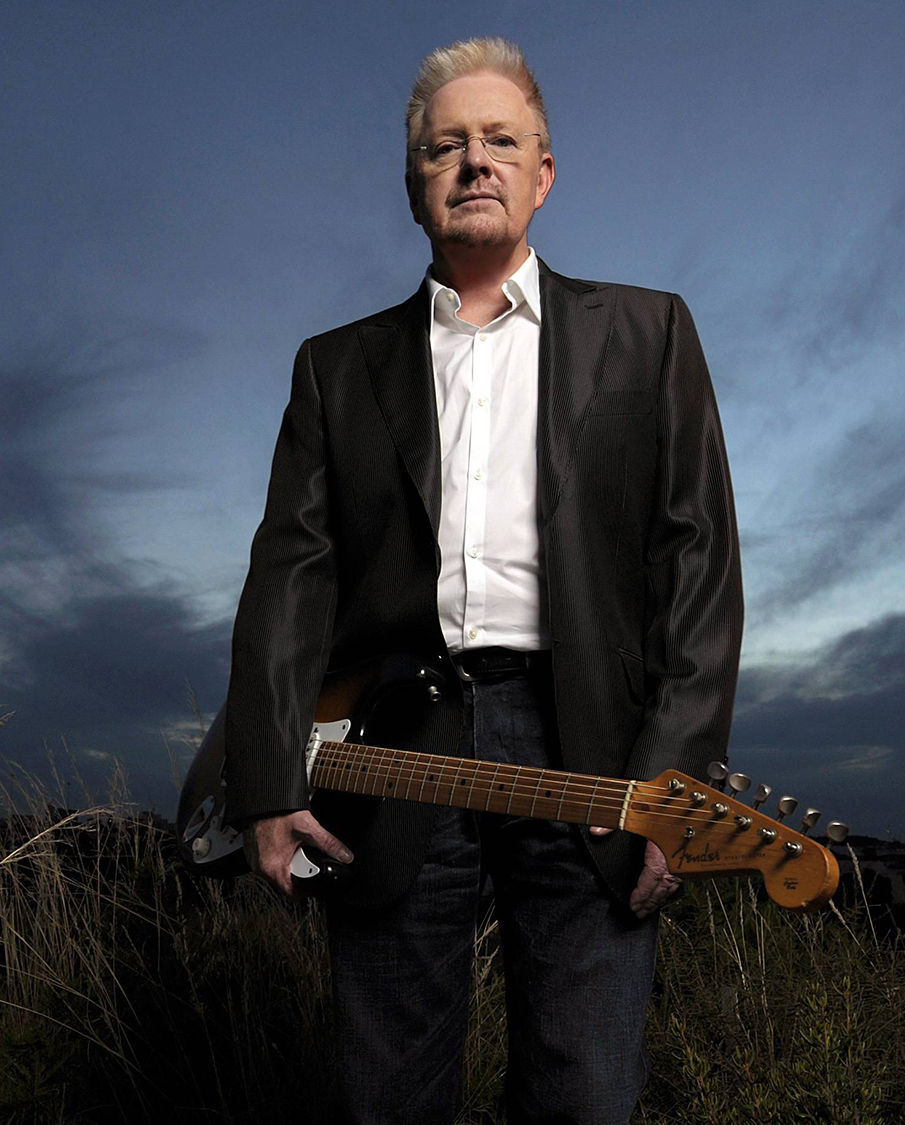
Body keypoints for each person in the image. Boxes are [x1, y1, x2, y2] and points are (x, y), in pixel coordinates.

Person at [221, 37, 742, 1125]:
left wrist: (673, 786)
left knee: (588, 1094)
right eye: (444, 146)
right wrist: (268, 782)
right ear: (412, 181)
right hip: (395, 747)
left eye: (499, 141)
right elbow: (289, 580)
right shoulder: (335, 366)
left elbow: (697, 565)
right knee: (386, 1095)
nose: (473, 162)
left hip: (589, 750)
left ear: (542, 174)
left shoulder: (649, 336)